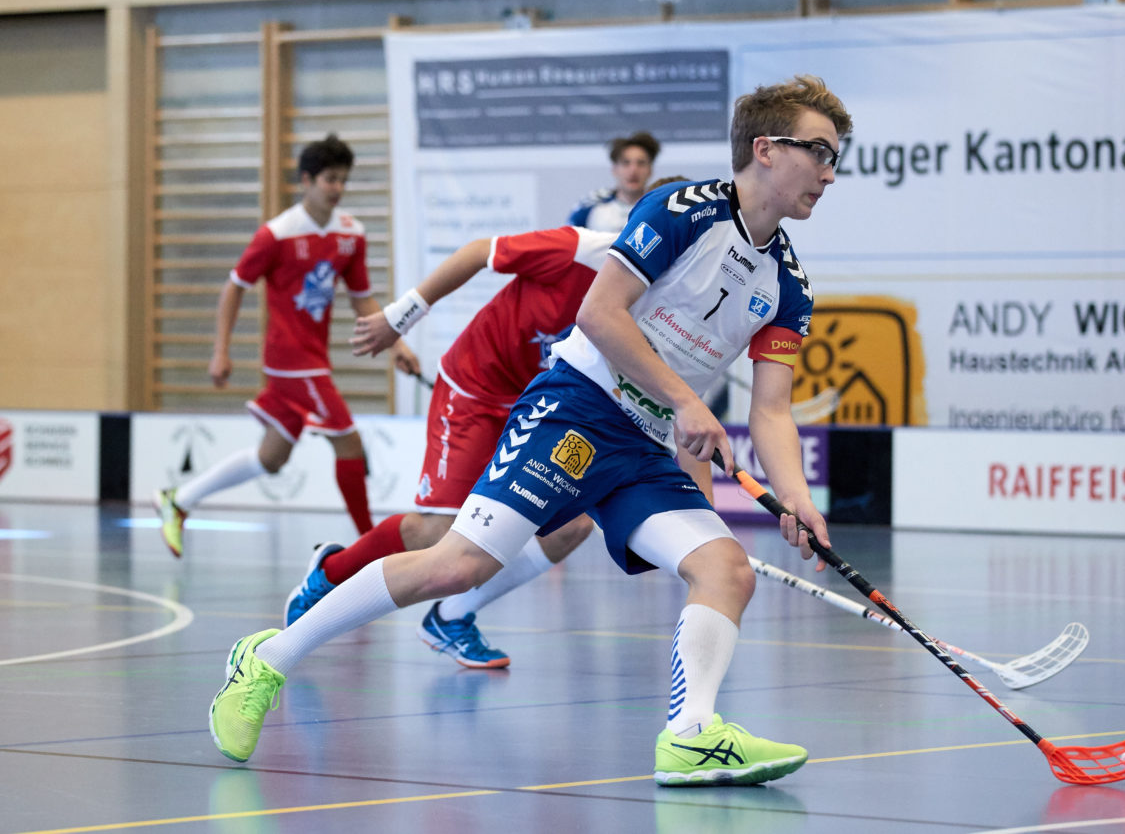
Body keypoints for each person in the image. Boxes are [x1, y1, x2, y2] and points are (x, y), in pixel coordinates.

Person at [209, 76, 852, 788]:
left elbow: (770, 410)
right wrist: (686, 403)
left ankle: (691, 731)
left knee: (724, 568)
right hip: (573, 409)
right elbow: (600, 315)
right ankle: (267, 658)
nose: (830, 170)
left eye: (836, 155)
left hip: (640, 448)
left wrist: (797, 497)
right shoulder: (679, 209)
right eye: (820, 151)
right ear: (765, 149)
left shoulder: (789, 283)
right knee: (456, 564)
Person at [285, 177, 693, 669]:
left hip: (547, 404)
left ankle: (452, 617)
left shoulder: (669, 303)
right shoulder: (579, 251)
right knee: (436, 531)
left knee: (571, 527)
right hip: (475, 389)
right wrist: (399, 317)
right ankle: (330, 574)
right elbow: (479, 252)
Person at [153, 134, 419, 557]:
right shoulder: (276, 235)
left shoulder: (352, 234)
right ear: (306, 180)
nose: (337, 189)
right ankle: (372, 547)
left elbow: (361, 296)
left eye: (343, 181)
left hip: (314, 359)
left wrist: (395, 342)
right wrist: (221, 350)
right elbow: (234, 287)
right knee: (348, 442)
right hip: (289, 361)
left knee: (271, 458)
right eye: (330, 179)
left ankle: (179, 499)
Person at [566, 131, 660, 232]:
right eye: (626, 163)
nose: (633, 170)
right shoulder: (590, 204)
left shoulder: (660, 208)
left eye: (641, 163)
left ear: (650, 170)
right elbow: (568, 241)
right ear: (614, 169)